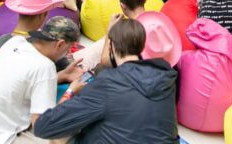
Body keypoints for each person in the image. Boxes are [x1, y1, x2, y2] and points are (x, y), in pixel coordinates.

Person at [33, 19, 180, 144]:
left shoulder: (107, 83)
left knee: (63, 134)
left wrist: (70, 91)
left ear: (111, 46)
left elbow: (44, 127)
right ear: (141, 47)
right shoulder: (167, 78)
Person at [0, 15, 83, 144]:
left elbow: (21, 81)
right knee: (68, 128)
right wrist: (71, 91)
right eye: (67, 50)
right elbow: (44, 127)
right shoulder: (45, 66)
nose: (65, 55)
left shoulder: (15, 42)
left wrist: (62, 75)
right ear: (60, 44)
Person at [71, 0, 183, 72]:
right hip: (166, 68)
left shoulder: (125, 31)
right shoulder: (160, 21)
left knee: (99, 65)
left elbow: (105, 61)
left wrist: (110, 32)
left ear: (122, 6)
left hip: (137, 74)